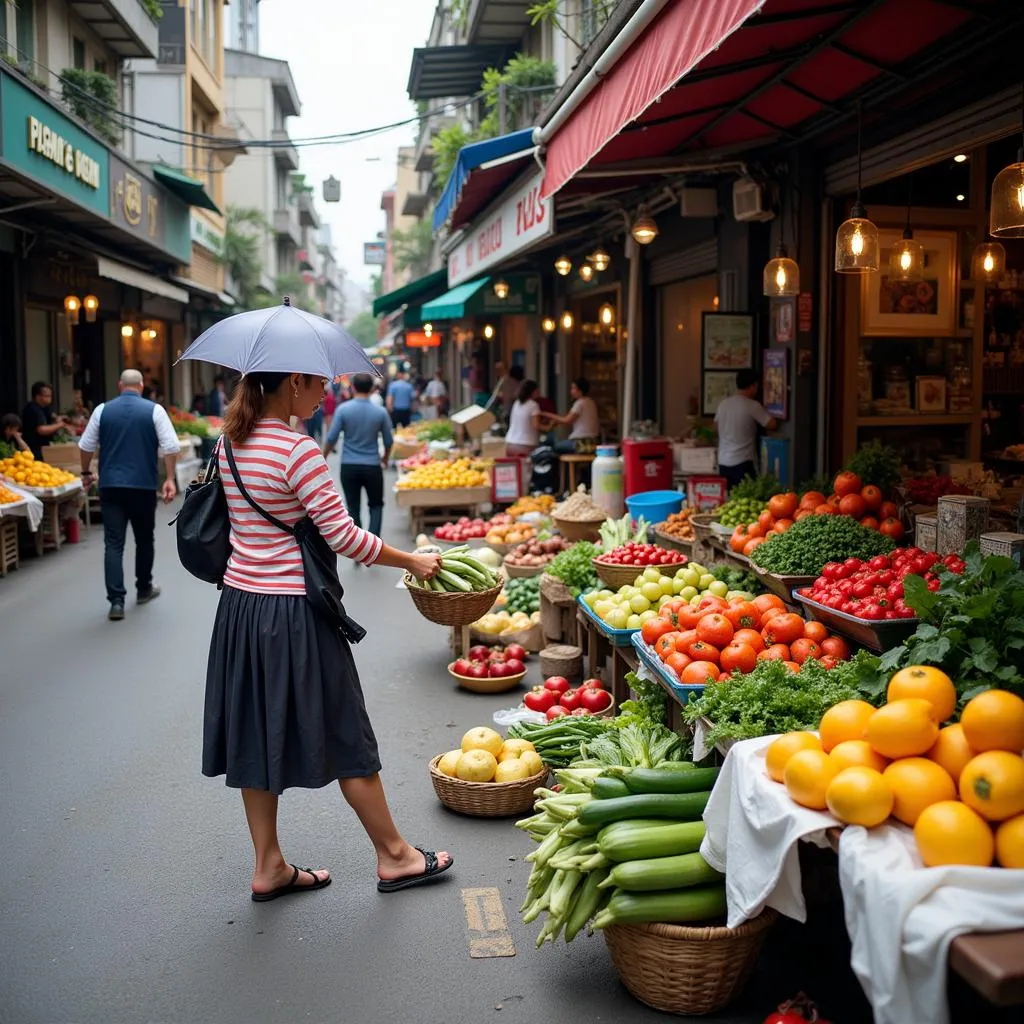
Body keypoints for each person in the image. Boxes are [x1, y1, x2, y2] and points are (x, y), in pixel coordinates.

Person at [203, 368, 452, 901]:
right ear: (293, 382)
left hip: (242, 610)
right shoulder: (298, 452)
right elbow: (343, 536)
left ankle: (269, 865)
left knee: (255, 733)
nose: (327, 394)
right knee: (345, 731)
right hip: (296, 613)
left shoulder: (228, 443)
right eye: (320, 384)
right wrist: (413, 559)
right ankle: (395, 856)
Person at [78, 370, 180, 621]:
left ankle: (116, 601)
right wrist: (168, 478)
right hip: (143, 486)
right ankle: (144, 588)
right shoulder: (155, 411)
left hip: (111, 486)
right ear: (142, 386)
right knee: (144, 539)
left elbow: (85, 445)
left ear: (120, 385)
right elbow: (171, 446)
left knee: (113, 543)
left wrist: (85, 471)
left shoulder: (102, 410)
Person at [322, 372, 393, 540]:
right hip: (372, 466)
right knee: (376, 505)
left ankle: (359, 545)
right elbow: (389, 441)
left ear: (352, 387)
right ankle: (374, 546)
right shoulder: (380, 412)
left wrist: (323, 456)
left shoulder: (343, 410)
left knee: (353, 507)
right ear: (372, 388)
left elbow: (331, 437)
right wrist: (385, 458)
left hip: (349, 466)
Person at [714, 368, 777, 489]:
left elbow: (715, 426)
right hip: (743, 462)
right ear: (753, 386)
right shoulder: (752, 405)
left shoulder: (723, 404)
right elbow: (772, 424)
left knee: (729, 499)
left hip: (723, 461)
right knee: (745, 499)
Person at [544, 377, 601, 452]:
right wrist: (557, 421)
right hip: (592, 441)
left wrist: (546, 414)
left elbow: (567, 420)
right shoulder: (590, 402)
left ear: (580, 390)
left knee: (553, 447)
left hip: (580, 442)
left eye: (573, 388)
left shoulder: (580, 403)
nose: (571, 391)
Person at [21, 381, 70, 459]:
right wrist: (60, 425)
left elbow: (52, 418)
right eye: (47, 395)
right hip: (33, 447)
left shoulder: (45, 407)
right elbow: (41, 429)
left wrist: (58, 420)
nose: (49, 398)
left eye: (50, 395)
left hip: (43, 446)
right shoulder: (33, 409)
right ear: (38, 396)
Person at [505, 379, 545, 456]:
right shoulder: (533, 405)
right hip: (526, 444)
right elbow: (536, 425)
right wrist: (548, 427)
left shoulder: (516, 403)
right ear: (533, 392)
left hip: (510, 442)